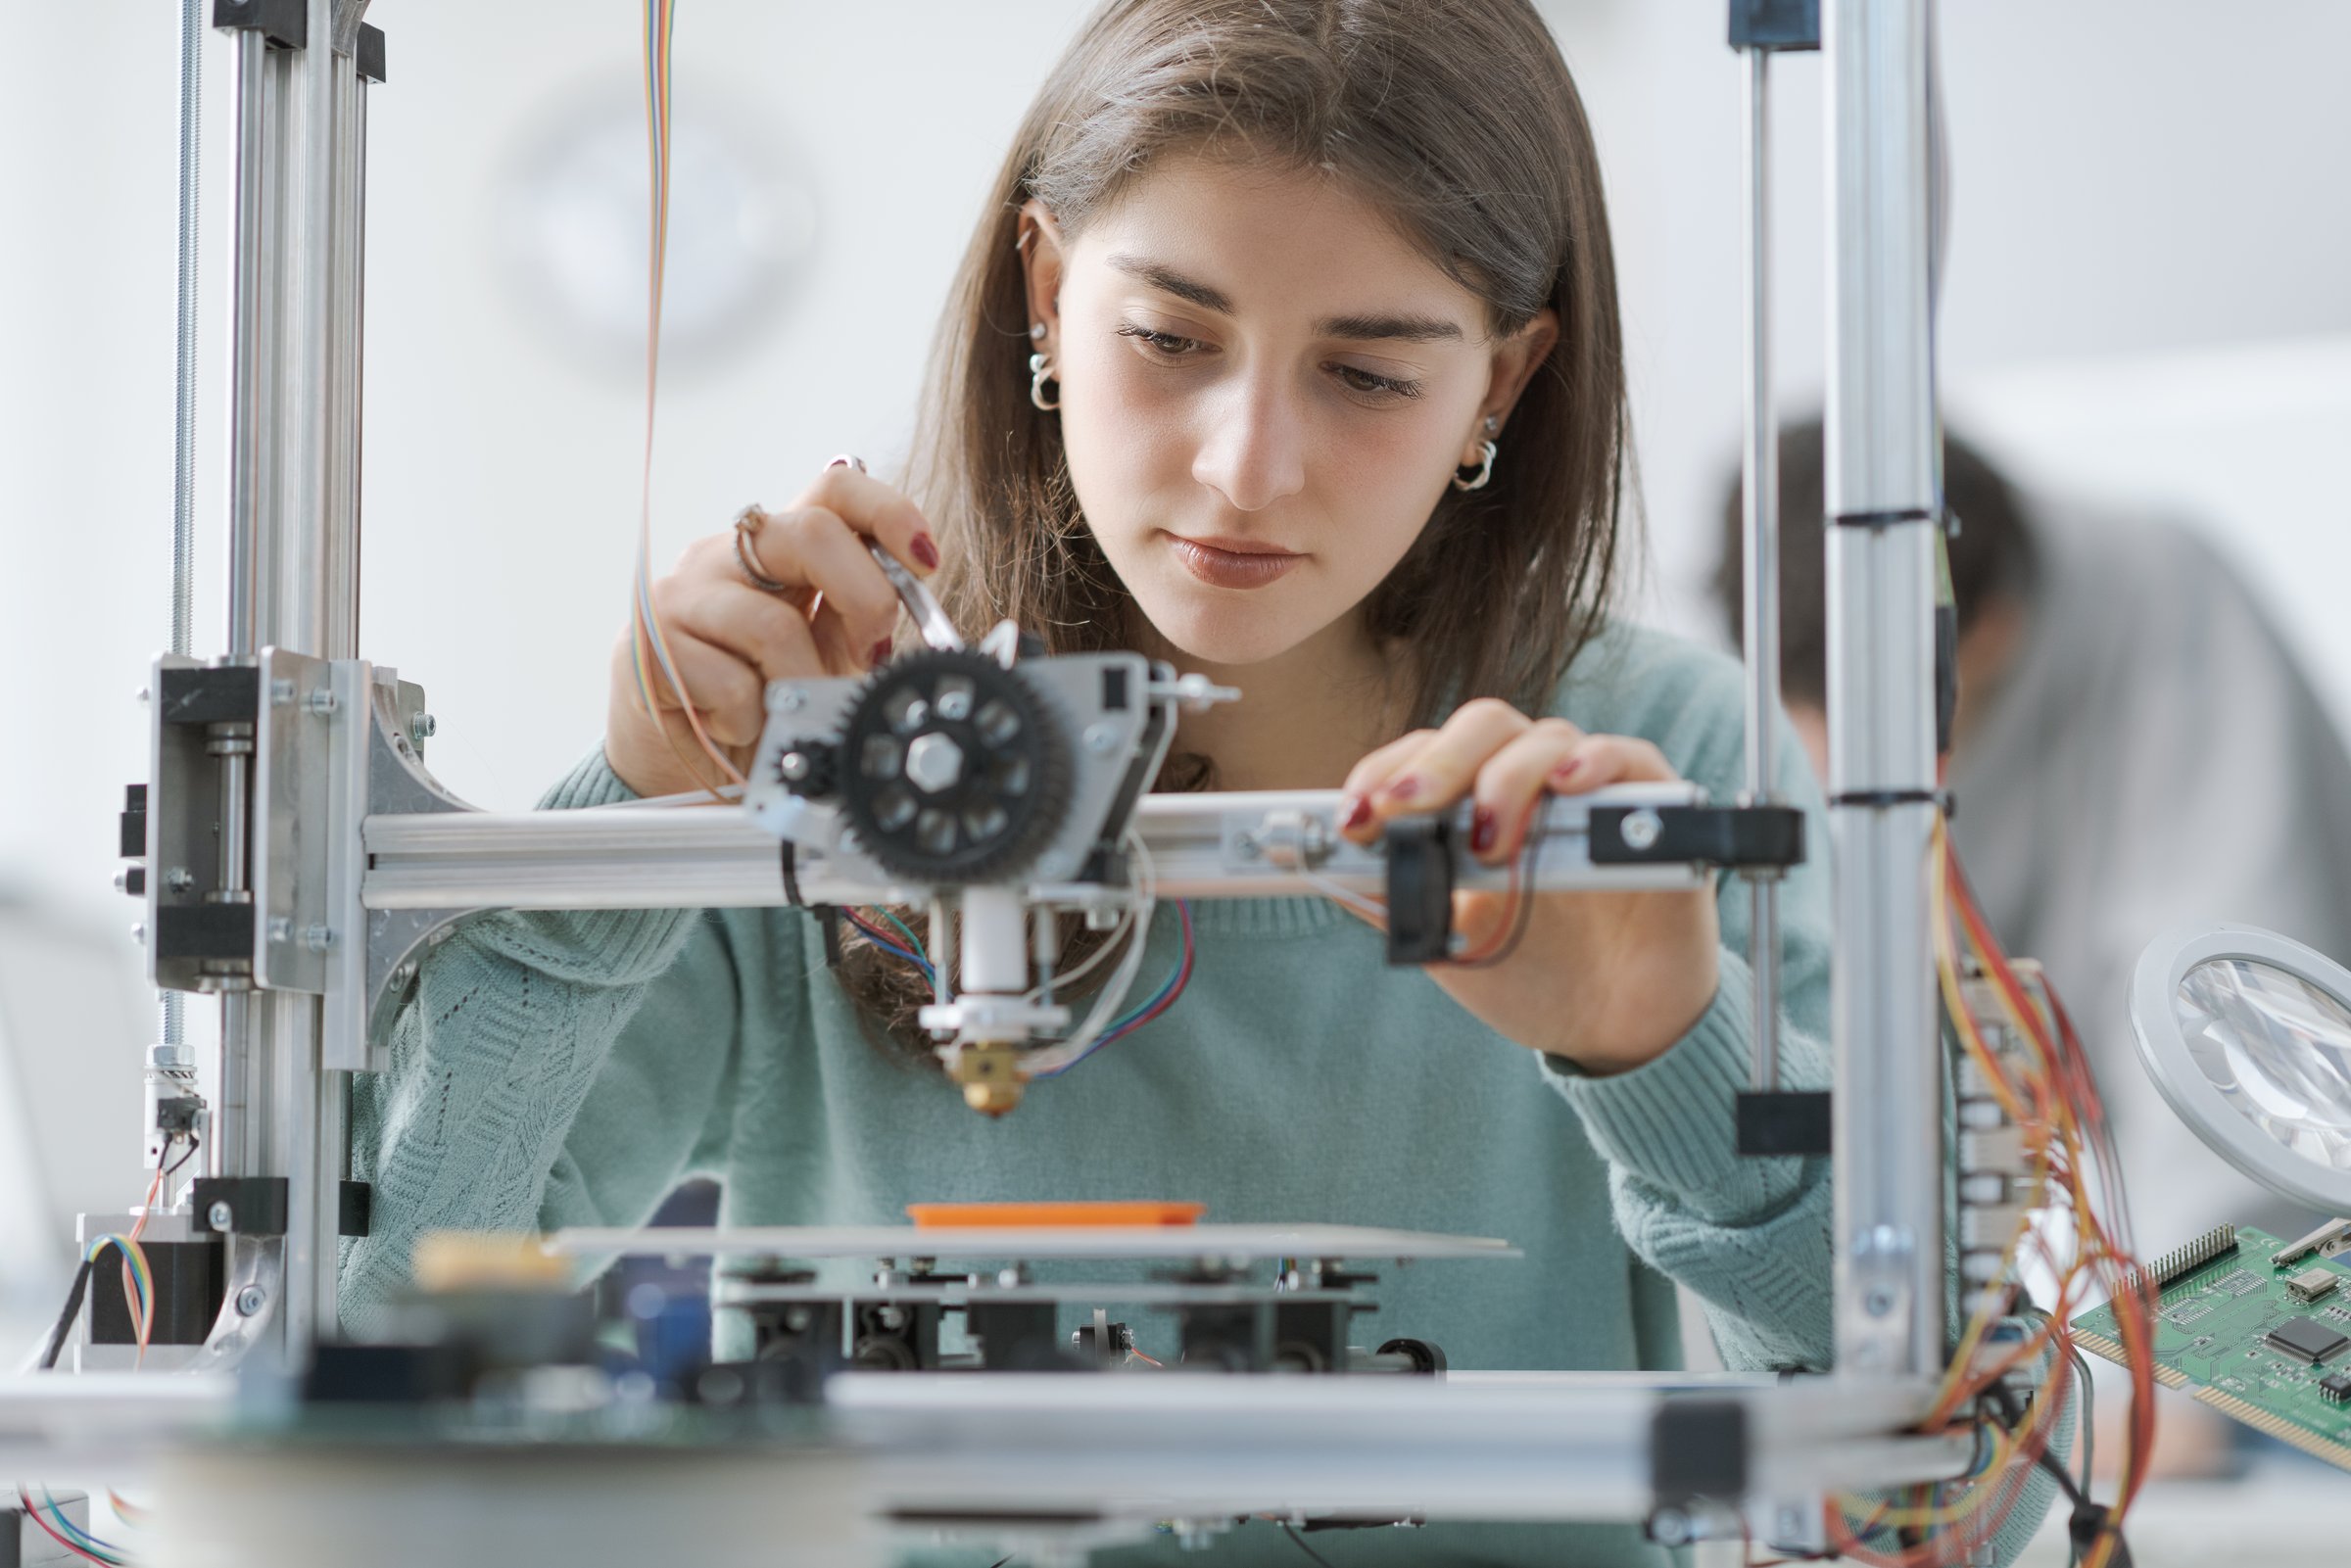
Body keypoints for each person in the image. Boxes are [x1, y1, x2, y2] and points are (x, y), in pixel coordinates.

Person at [348, 6, 2052, 1562]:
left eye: (1370, 372)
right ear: (1044, 288)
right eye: (1170, 335)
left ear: (1505, 383)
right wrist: (634, 810)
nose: (1246, 466)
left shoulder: (1655, 761)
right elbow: (364, 1339)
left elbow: (1944, 1503)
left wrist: (1663, 1055)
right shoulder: (832, 745)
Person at [1715, 421, 2351, 1477]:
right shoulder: (1763, 674)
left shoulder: (2165, 605)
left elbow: (2241, 1051)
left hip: (2270, 1298)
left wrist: (2165, 1383)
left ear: (1996, 632)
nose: (1832, 760)